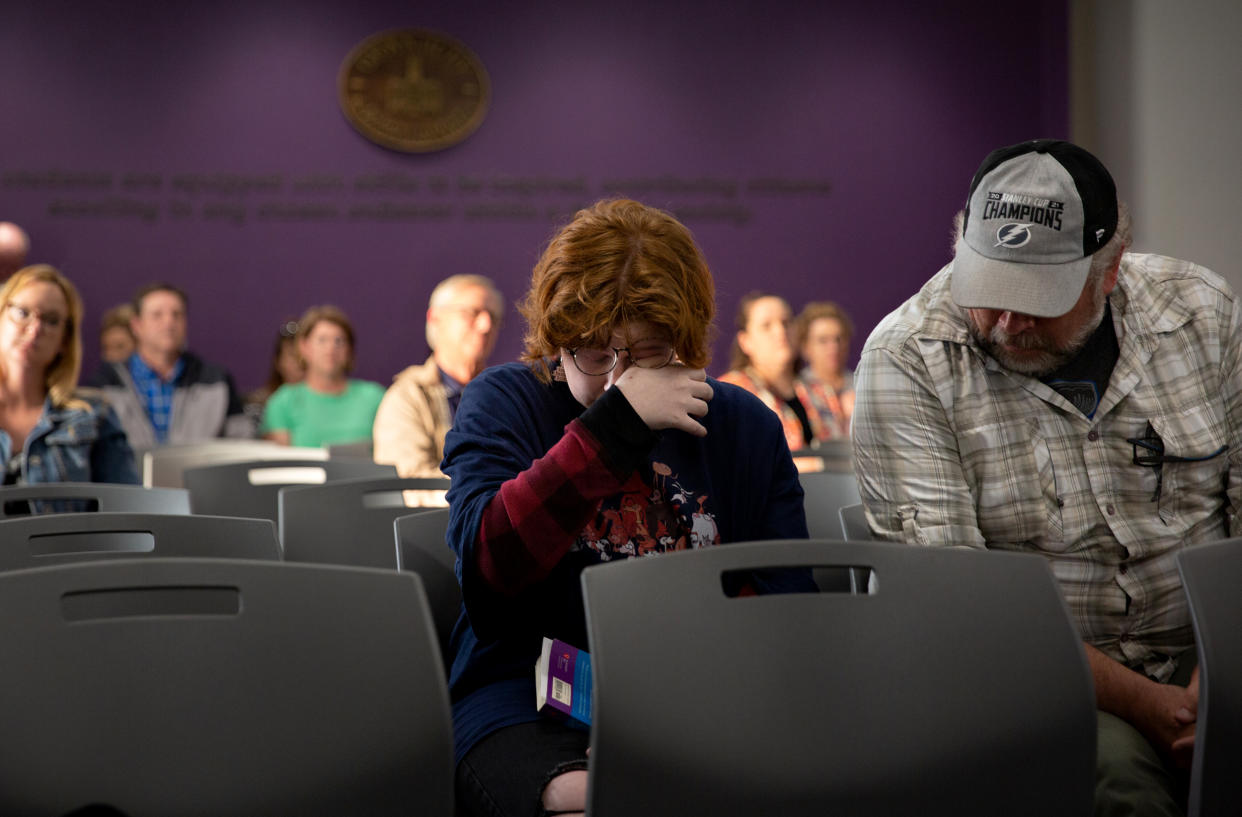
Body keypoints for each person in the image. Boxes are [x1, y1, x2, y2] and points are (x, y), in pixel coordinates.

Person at [851, 138, 1237, 816]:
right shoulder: (908, 356)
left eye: (1037, 298)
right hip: (1035, 674)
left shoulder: (1201, 313)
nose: (1008, 322)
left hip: (1206, 647)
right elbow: (963, 606)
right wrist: (1156, 707)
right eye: (990, 291)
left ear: (1110, 269)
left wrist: (1222, 667)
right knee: (1118, 788)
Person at [442, 199, 809, 817]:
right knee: (600, 797)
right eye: (594, 354)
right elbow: (491, 570)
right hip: (525, 695)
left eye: (646, 354)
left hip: (702, 692)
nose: (619, 382)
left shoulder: (744, 425)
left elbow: (786, 607)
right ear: (557, 345)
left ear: (686, 345)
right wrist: (614, 428)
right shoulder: (504, 400)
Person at [0, 265, 138, 493]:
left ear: (65, 341)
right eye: (23, 313)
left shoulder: (93, 414)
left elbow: (130, 513)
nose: (34, 330)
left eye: (51, 320)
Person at [372, 274, 503, 477]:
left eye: (493, 317)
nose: (486, 326)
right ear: (435, 318)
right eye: (472, 312)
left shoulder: (504, 393)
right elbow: (411, 483)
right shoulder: (408, 396)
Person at [91, 283, 251, 447]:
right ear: (137, 325)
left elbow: (242, 446)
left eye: (177, 314)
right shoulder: (105, 385)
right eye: (157, 315)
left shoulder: (216, 380)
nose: (168, 323)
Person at [719, 292, 829, 453]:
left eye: (786, 322)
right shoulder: (730, 395)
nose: (780, 331)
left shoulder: (820, 390)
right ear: (745, 341)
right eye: (766, 326)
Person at [261, 305, 384, 447]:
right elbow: (280, 462)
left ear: (349, 349)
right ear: (304, 346)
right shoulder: (283, 402)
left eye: (339, 341)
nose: (330, 348)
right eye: (322, 340)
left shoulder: (374, 397)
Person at [793, 301, 855, 438]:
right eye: (823, 340)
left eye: (838, 339)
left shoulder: (863, 387)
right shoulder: (796, 391)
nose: (833, 348)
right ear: (806, 347)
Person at [243, 319, 303, 432]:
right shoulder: (258, 405)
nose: (298, 363)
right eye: (292, 355)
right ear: (278, 362)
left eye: (302, 356)